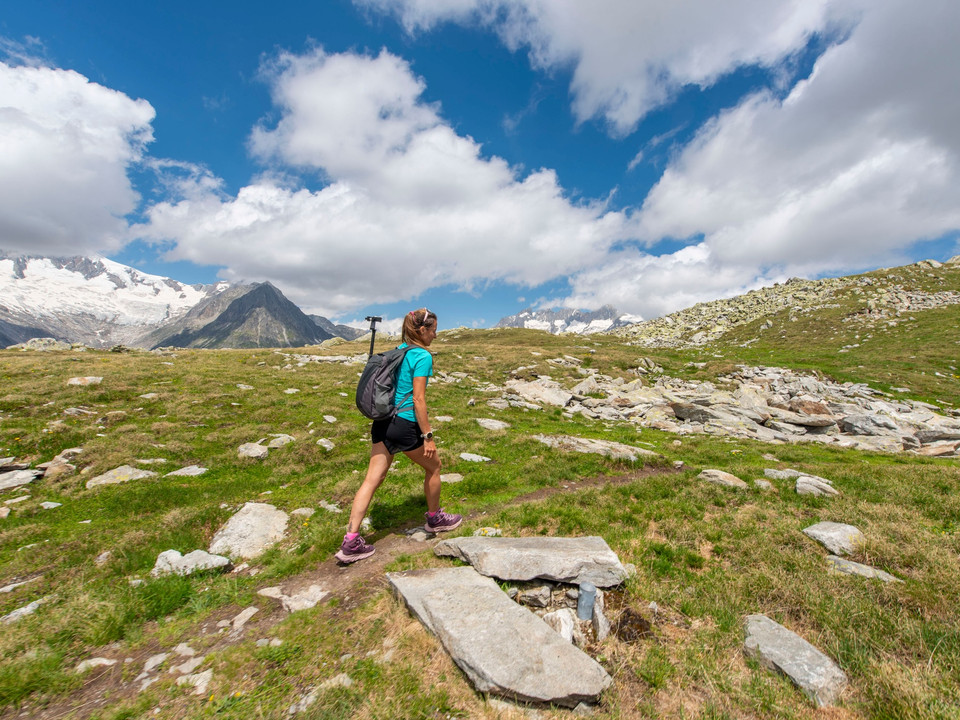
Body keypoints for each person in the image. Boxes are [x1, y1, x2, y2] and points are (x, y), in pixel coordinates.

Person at [336, 308, 462, 563]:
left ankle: (350, 541)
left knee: (372, 479)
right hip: (404, 424)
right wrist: (427, 435)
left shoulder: (398, 351)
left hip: (382, 422)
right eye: (434, 330)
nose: (436, 335)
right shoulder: (421, 356)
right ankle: (435, 518)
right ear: (422, 330)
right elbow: (418, 399)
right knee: (435, 467)